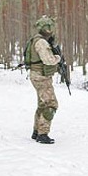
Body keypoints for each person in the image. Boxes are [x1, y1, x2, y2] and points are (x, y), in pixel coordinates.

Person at [28, 15, 61, 144]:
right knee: (51, 105)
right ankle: (43, 134)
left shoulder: (38, 40)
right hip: (41, 76)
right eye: (50, 27)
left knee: (42, 105)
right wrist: (57, 58)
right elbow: (48, 60)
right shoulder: (41, 42)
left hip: (38, 75)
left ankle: (37, 131)